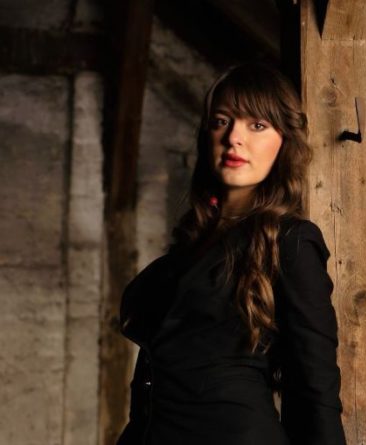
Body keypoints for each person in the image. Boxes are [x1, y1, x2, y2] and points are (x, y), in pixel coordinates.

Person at [117, 62, 346, 445]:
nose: (234, 138)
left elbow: (315, 388)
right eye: (222, 121)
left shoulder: (292, 241)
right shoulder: (191, 244)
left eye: (257, 125)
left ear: (284, 141)